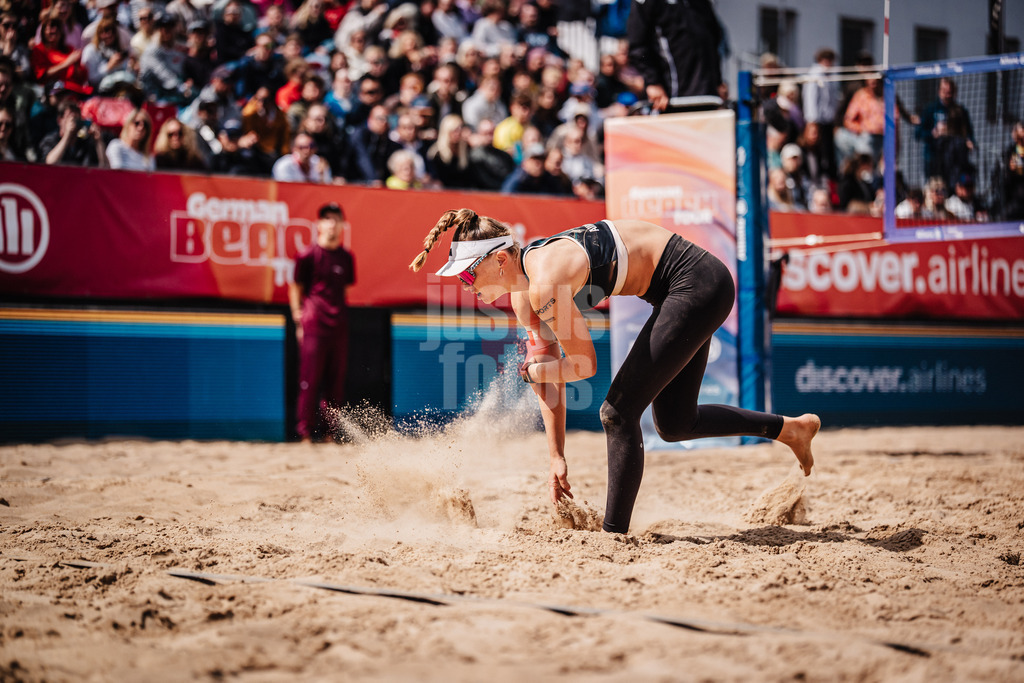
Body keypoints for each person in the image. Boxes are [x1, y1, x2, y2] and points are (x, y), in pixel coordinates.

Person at [408, 210, 819, 533]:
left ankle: (613, 534)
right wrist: (556, 456)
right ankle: (791, 430)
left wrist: (536, 373)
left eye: (466, 274)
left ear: (499, 259)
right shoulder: (523, 294)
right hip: (680, 289)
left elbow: (583, 365)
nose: (464, 285)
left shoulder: (544, 282)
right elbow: (549, 375)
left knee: (617, 413)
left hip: (696, 283)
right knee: (676, 423)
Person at [290, 202, 356, 443]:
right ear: (319, 224)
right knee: (309, 380)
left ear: (342, 225)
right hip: (314, 323)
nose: (331, 223)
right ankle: (305, 433)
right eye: (327, 218)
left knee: (335, 382)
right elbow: (295, 287)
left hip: (338, 324)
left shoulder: (347, 257)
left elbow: (345, 290)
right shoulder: (307, 255)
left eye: (336, 219)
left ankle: (330, 434)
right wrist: (298, 316)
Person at [626, 0, 724, 110]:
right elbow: (638, 45)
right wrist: (653, 83)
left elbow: (713, 39)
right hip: (672, 97)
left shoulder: (701, 3)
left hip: (708, 95)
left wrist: (718, 81)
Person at [39, 98, 108, 167]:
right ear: (59, 120)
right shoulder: (50, 140)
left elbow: (105, 167)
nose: (74, 123)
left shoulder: (85, 143)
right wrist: (67, 135)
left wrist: (99, 142)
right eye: (71, 119)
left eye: (77, 119)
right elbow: (50, 163)